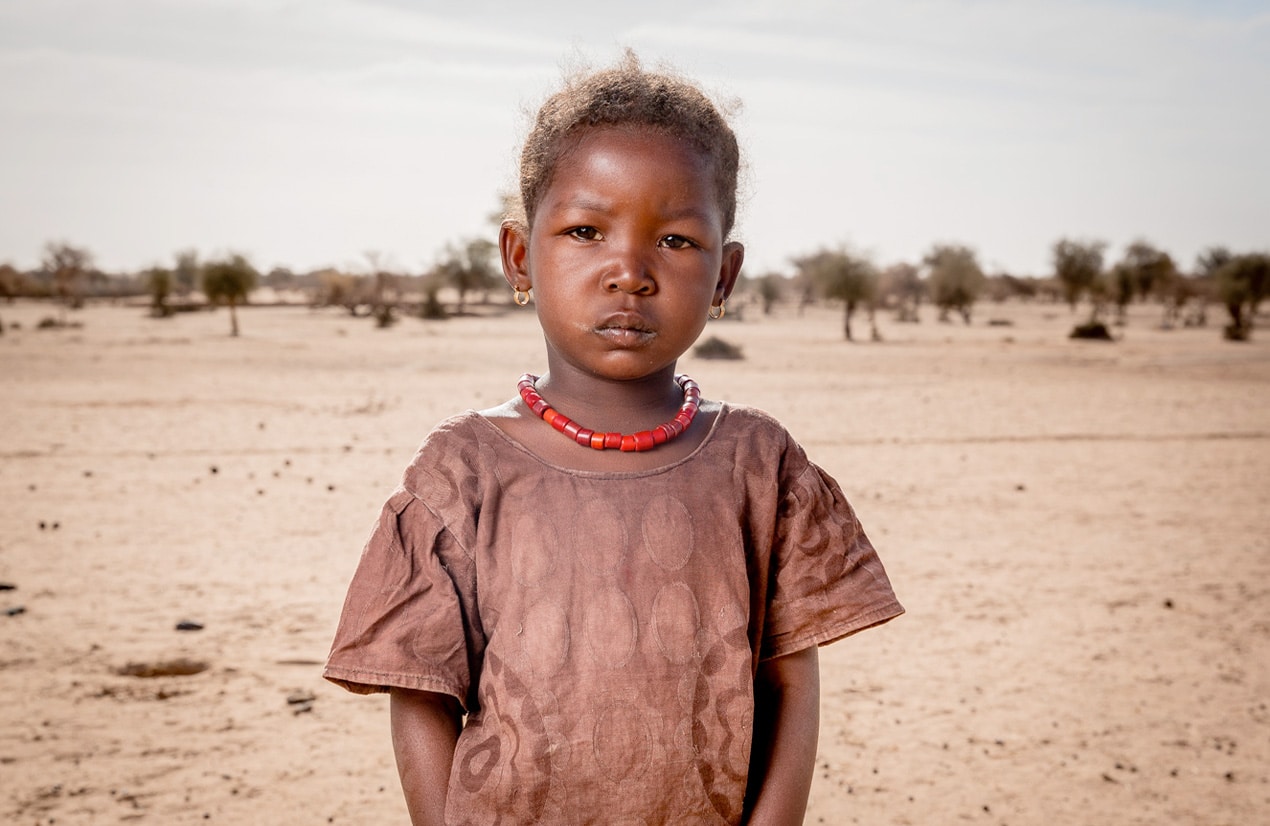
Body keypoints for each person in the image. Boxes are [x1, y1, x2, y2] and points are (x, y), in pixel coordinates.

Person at [324, 52, 903, 826]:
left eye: (676, 242)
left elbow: (791, 682)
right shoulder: (463, 470)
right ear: (521, 257)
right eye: (587, 230)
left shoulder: (760, 466)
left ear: (725, 276)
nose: (629, 271)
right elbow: (421, 691)